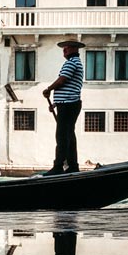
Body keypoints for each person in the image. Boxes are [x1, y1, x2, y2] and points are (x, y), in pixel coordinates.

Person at [43, 39, 84, 175]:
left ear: (74, 49)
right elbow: (68, 86)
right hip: (68, 104)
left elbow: (62, 80)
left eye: (67, 47)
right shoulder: (74, 63)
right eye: (64, 48)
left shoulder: (71, 63)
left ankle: (58, 166)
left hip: (68, 105)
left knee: (62, 136)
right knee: (69, 135)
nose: (64, 50)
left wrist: (48, 89)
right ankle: (72, 166)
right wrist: (56, 103)